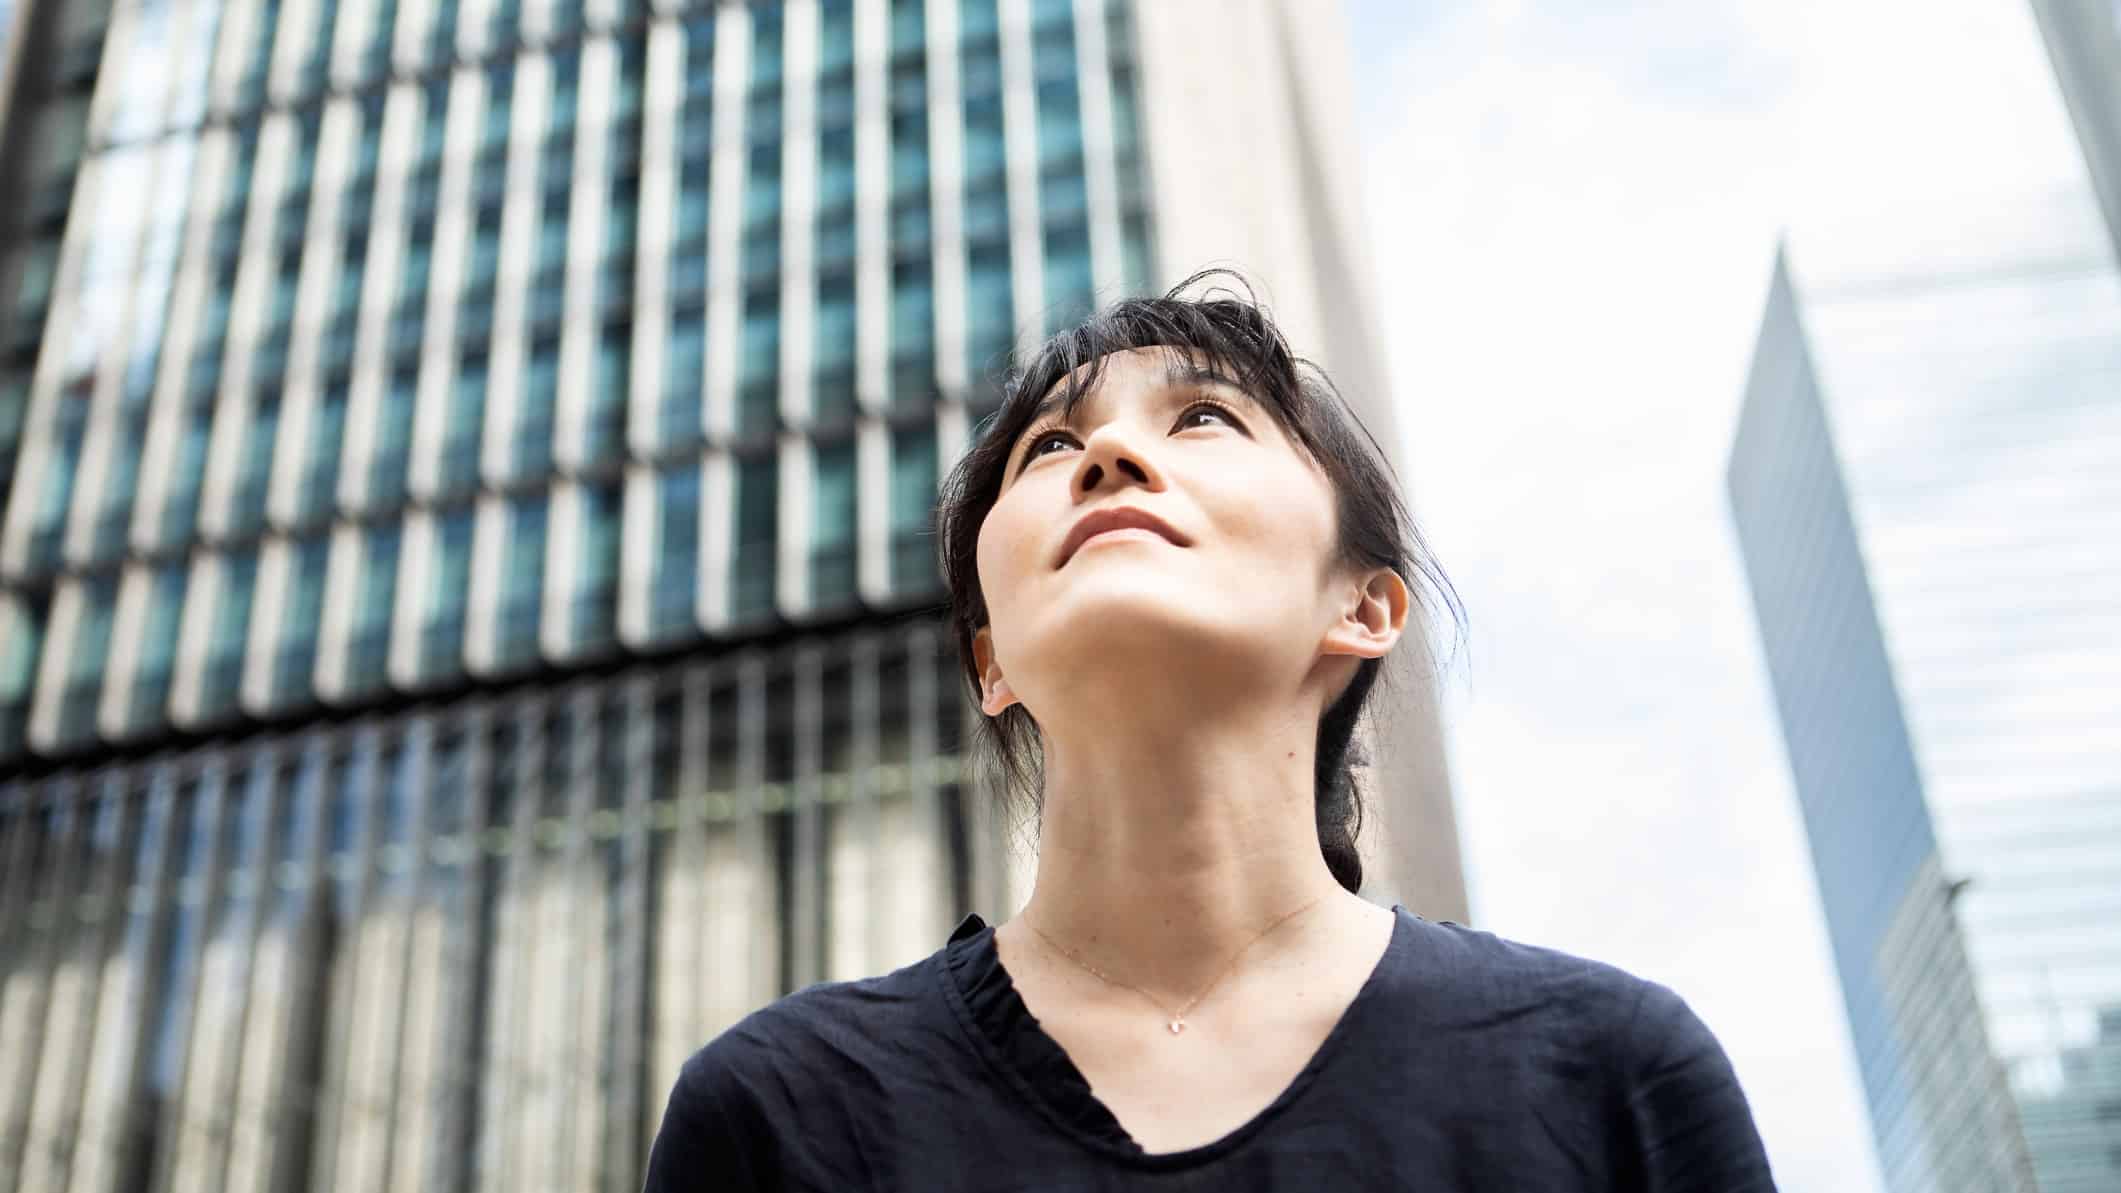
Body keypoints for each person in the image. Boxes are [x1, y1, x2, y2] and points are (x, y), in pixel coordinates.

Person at [641, 272, 1778, 1191]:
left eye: (1202, 417)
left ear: (1364, 606)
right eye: (1047, 448)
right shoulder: (781, 1113)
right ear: (990, 662)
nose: (1108, 457)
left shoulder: (1607, 1073)